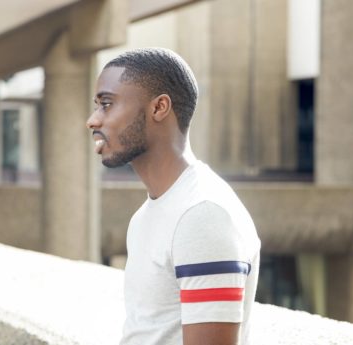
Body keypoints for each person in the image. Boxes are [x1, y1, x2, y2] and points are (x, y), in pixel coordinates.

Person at [86, 47, 260, 345]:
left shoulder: (203, 214)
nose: (92, 120)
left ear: (159, 108)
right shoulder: (148, 214)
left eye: (106, 104)